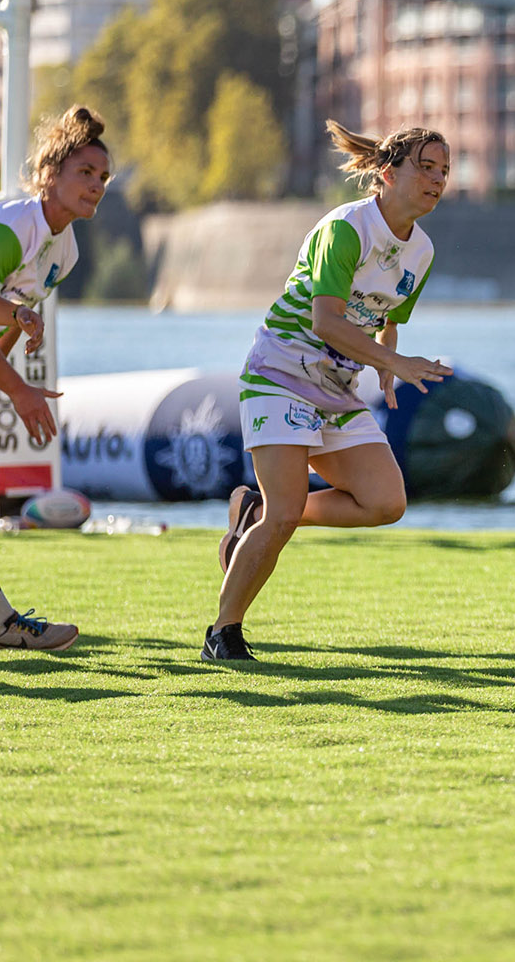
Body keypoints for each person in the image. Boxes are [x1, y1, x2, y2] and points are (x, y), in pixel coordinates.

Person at [206, 121, 453, 661]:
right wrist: (393, 362)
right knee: (284, 514)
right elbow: (326, 321)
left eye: (443, 170)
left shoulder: (423, 251)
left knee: (386, 502)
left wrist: (386, 364)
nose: (437, 180)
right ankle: (223, 632)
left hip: (336, 388)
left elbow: (389, 318)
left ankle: (254, 513)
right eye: (425, 168)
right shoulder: (346, 229)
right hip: (280, 374)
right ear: (387, 173)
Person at [0, 106, 109, 651]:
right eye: (84, 172)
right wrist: (17, 389)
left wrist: (5, 376)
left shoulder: (67, 251)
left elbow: (8, 324)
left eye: (103, 176)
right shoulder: (12, 227)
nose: (96, 185)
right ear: (49, 173)